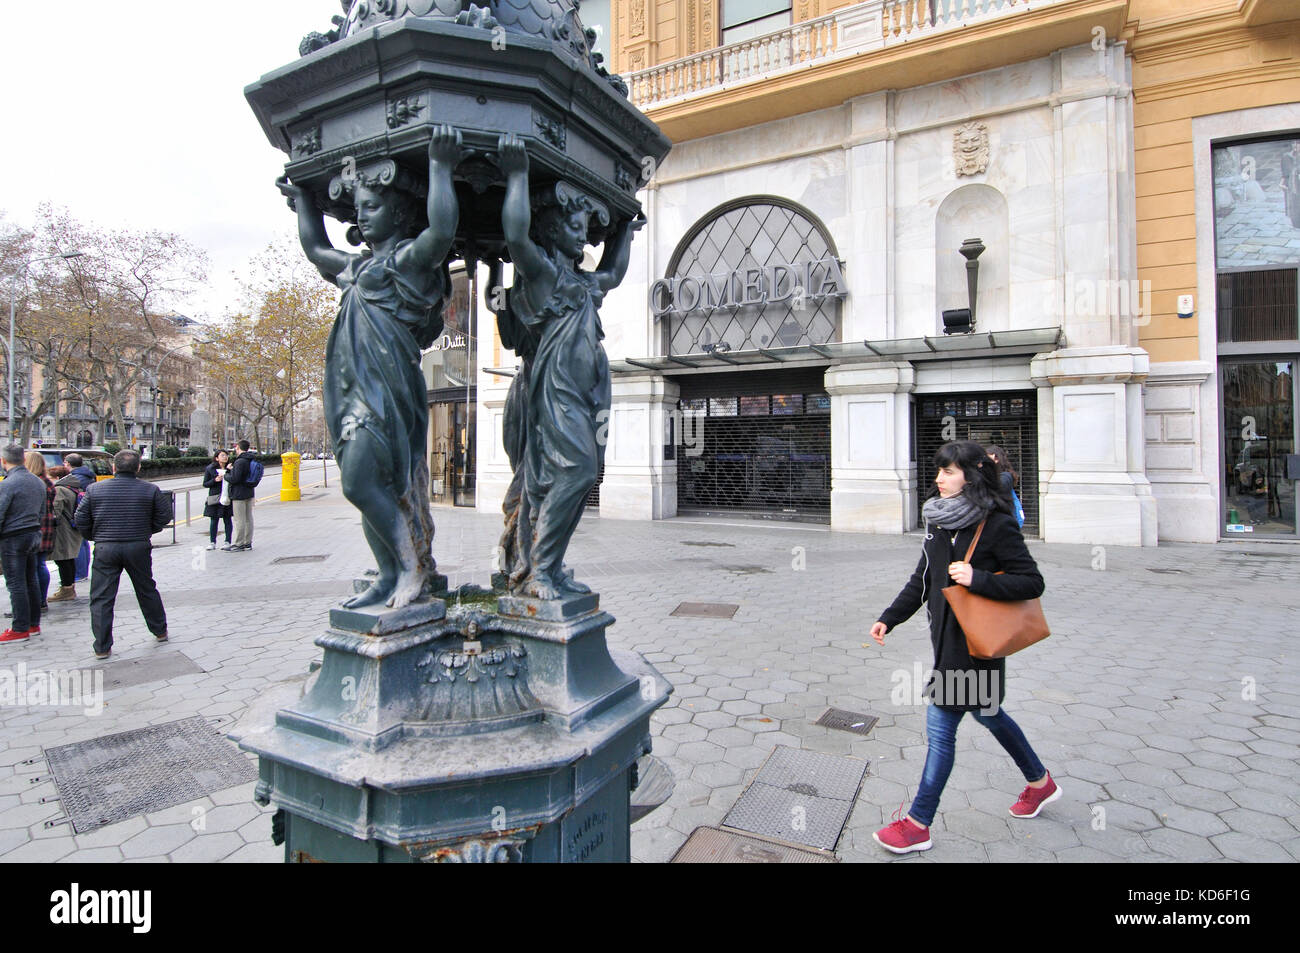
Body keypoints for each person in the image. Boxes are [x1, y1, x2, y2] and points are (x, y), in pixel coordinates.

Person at [277, 124, 461, 608]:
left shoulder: (408, 261)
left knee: (360, 480)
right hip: (350, 387)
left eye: (373, 205)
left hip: (388, 388)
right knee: (369, 485)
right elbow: (315, 249)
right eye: (359, 207)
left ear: (399, 212)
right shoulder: (356, 268)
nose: (362, 213)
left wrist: (440, 166)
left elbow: (441, 231)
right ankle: (387, 574)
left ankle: (411, 568)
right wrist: (302, 201)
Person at [868, 439, 1056, 854]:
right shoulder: (938, 522)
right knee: (990, 716)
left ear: (971, 476)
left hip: (974, 649)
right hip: (947, 641)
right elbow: (922, 579)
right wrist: (889, 618)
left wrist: (979, 579)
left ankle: (918, 824)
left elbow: (1031, 582)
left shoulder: (996, 524)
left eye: (949, 471)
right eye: (939, 471)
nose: (939, 479)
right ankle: (1040, 783)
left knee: (940, 731)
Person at [498, 133, 644, 599]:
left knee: (581, 475)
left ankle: (550, 565)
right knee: (576, 471)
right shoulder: (542, 276)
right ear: (551, 227)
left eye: (586, 224)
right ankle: (537, 570)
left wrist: (626, 229)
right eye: (574, 223)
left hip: (591, 391)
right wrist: (518, 174)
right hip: (557, 391)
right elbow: (516, 237)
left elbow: (615, 273)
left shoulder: (582, 284)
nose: (583, 232)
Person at [74, 449, 173, 660]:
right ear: (138, 467)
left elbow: (80, 519)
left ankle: (102, 646)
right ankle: (160, 630)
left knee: (101, 597)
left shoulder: (94, 490)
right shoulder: (150, 489)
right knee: (146, 589)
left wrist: (95, 535)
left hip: (105, 546)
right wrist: (147, 530)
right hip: (137, 545)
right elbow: (164, 516)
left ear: (113, 468)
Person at [0, 445, 48, 643]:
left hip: (13, 536)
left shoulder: (8, 483)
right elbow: (42, 511)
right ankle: (33, 623)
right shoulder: (37, 482)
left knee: (16, 582)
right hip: (33, 533)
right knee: (30, 579)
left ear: (3, 461)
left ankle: (20, 628)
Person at [47, 465, 84, 602]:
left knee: (62, 559)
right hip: (72, 529)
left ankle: (66, 590)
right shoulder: (73, 487)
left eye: (50, 477)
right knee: (68, 559)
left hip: (63, 531)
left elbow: (54, 511)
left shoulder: (59, 489)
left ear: (57, 478)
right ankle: (70, 587)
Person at [25, 452, 57, 609]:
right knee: (40, 564)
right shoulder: (48, 482)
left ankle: (34, 602)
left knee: (32, 567)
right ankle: (41, 600)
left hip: (35, 526)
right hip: (47, 527)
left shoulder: (32, 483)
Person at [64, 452, 95, 583]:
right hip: (86, 512)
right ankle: (83, 572)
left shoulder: (76, 478)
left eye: (65, 462)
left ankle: (80, 573)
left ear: (69, 464)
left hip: (77, 512)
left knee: (79, 543)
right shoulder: (87, 475)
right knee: (83, 543)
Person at [225, 440, 258, 552]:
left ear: (238, 447)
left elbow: (235, 479)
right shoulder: (251, 459)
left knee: (239, 519)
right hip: (249, 491)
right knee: (249, 518)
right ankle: (248, 542)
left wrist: (226, 474)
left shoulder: (240, 461)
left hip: (239, 493)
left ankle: (239, 543)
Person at [985, 444, 1024, 528]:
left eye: (987, 457)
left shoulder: (1006, 476)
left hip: (1005, 523)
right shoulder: (997, 475)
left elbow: (997, 488)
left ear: (996, 458)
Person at [203, 450, 234, 550]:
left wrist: (229, 472)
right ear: (217, 458)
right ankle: (212, 542)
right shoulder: (210, 469)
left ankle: (227, 541)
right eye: (222, 455)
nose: (225, 457)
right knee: (214, 520)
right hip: (215, 497)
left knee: (227, 519)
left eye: (226, 455)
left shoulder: (230, 468)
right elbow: (205, 483)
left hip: (227, 497)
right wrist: (215, 480)